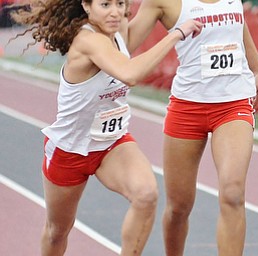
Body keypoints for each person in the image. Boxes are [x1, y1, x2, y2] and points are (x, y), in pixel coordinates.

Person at [9, 0, 202, 255]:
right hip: (71, 149)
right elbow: (130, 73)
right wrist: (177, 33)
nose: (114, 11)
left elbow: (149, 12)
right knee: (58, 231)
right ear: (87, 7)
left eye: (120, 4)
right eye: (105, 4)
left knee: (146, 195)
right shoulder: (88, 40)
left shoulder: (118, 31)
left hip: (112, 143)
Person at [127, 0, 258, 255]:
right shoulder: (163, 2)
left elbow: (254, 61)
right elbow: (123, 46)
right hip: (187, 108)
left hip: (232, 107)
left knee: (233, 193)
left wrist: (254, 78)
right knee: (179, 207)